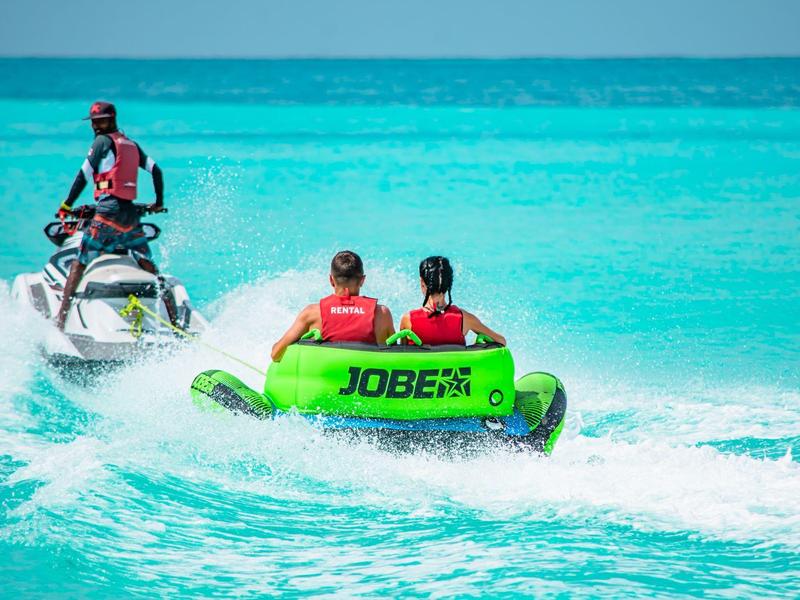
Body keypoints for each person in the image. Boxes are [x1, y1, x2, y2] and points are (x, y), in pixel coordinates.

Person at [54, 101, 175, 330]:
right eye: (95, 122)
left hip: (107, 213)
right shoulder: (130, 144)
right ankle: (175, 318)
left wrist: (66, 205)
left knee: (79, 264)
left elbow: (83, 175)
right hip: (129, 215)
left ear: (111, 119)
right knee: (148, 264)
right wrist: (158, 203)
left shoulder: (101, 142)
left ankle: (60, 320)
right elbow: (156, 171)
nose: (97, 126)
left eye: (100, 121)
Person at [271, 251, 395, 361]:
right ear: (362, 280)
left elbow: (276, 355)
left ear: (331, 280)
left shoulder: (313, 313)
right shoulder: (381, 313)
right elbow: (395, 356)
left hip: (323, 383)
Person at [399, 256, 507, 346]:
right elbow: (501, 341)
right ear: (449, 284)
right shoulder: (464, 319)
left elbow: (400, 357)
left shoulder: (408, 320)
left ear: (422, 283)